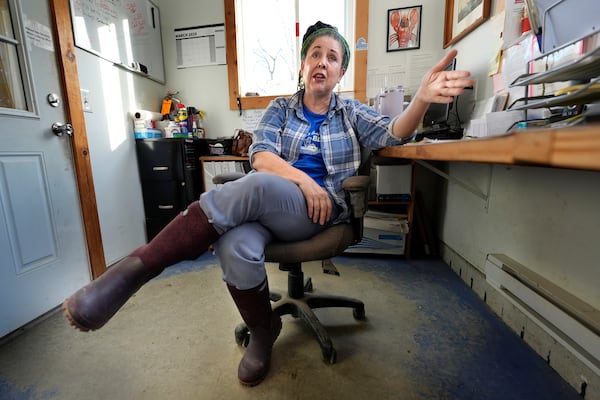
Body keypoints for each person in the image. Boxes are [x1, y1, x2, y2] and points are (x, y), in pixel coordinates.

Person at [63, 21, 474, 387]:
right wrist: (300, 180)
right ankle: (264, 330)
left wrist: (420, 98)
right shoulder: (280, 109)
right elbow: (260, 155)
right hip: (275, 204)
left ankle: (141, 266)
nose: (322, 61)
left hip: (321, 212)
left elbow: (394, 133)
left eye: (332, 57)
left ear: (341, 72)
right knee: (234, 243)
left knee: (257, 186)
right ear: (302, 64)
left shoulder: (350, 112)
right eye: (315, 53)